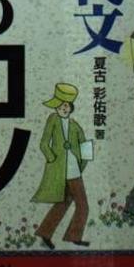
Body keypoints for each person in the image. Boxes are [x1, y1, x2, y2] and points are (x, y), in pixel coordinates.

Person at [32, 83, 90, 249]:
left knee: (66, 203)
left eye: (65, 106)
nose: (63, 109)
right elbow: (44, 143)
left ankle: (47, 234)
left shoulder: (75, 125)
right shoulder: (53, 120)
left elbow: (84, 144)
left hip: (74, 169)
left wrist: (83, 163)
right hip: (59, 169)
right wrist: (52, 159)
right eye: (59, 106)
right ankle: (71, 236)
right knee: (80, 204)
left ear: (71, 107)